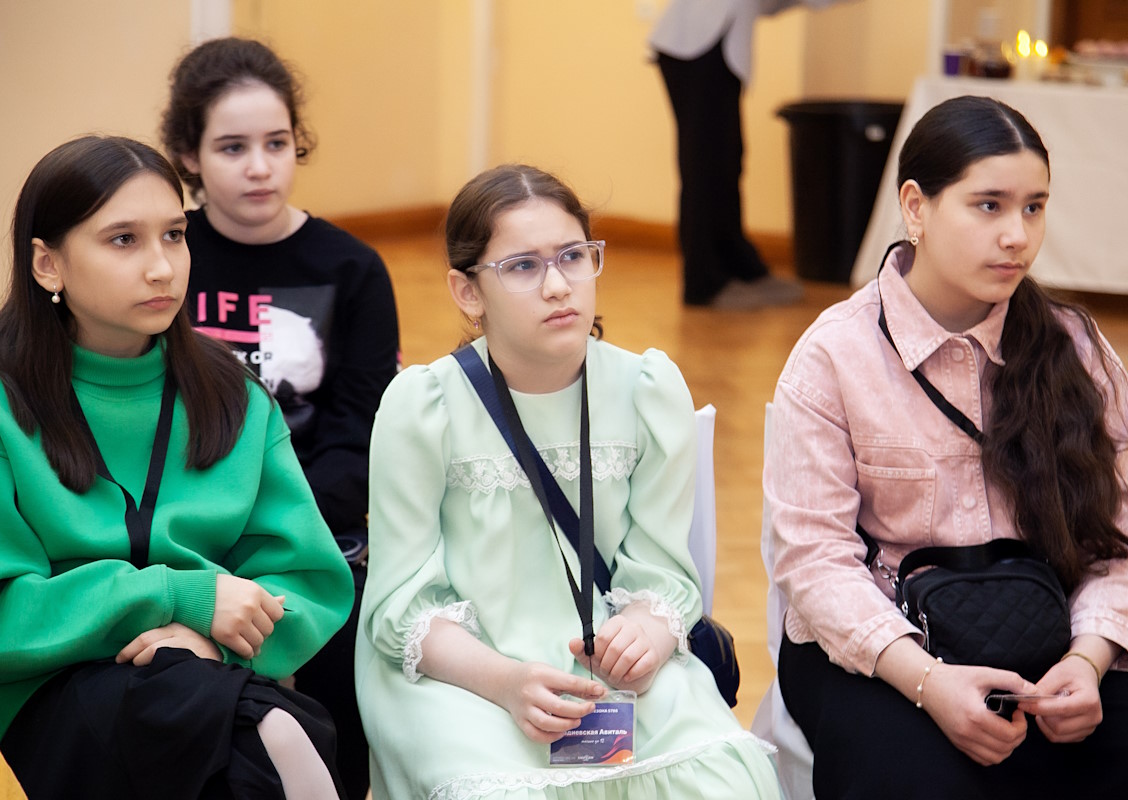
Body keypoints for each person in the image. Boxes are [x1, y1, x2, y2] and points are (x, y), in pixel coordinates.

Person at [763, 95, 1128, 798]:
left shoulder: (1076, 349)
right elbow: (814, 563)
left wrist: (1087, 660)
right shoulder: (834, 357)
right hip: (885, 645)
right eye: (988, 205)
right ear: (916, 207)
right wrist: (927, 682)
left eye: (1034, 207)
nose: (1017, 236)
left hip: (1045, 627)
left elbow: (1122, 539)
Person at [355, 164, 781, 799]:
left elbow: (663, 570)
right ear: (468, 291)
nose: (558, 286)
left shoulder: (646, 390)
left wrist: (647, 633)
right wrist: (505, 682)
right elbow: (401, 607)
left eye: (573, 256)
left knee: (728, 781)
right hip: (463, 675)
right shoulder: (424, 407)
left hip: (608, 668)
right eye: (523, 266)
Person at [0, 135, 354, 798]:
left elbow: (308, 579)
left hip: (213, 669)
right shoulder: (5, 400)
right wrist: (177, 597)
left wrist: (204, 639)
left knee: (250, 736)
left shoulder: (232, 394)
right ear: (48, 264)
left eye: (174, 235)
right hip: (54, 683)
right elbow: (8, 614)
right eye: (123, 240)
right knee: (267, 739)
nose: (162, 268)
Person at [161, 37, 400, 799]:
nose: (260, 166)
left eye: (277, 143)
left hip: (314, 533)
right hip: (181, 535)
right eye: (232, 147)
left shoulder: (352, 268)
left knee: (345, 671)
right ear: (190, 157)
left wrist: (277, 537)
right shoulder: (164, 259)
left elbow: (359, 436)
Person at [650, 0, 815, 309]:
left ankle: (738, 265)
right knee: (704, 166)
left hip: (711, 45)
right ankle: (703, 284)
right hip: (697, 45)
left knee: (726, 162)